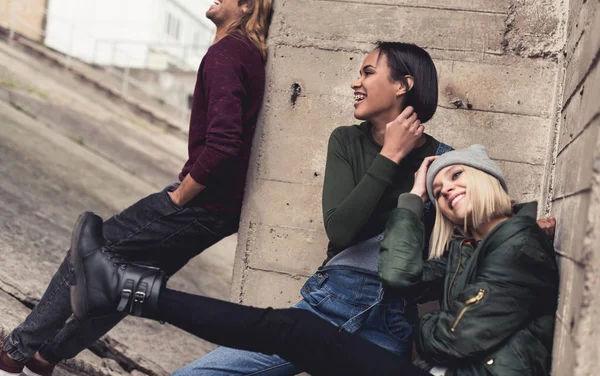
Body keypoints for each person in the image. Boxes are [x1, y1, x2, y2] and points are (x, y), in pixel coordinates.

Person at [67, 144, 558, 376]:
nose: (447, 190)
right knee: (289, 333)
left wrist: (424, 330)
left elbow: (449, 340)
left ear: (489, 179)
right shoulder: (470, 248)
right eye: (440, 189)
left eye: (458, 179)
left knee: (295, 332)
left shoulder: (516, 243)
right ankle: (124, 289)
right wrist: (413, 197)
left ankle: (125, 289)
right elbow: (400, 275)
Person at [0, 0, 274, 375]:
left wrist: (179, 197)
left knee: (88, 252)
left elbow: (224, 143)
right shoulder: (248, 55)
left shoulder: (227, 55)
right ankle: (46, 357)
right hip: (220, 210)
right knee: (125, 284)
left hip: (199, 203)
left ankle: (16, 351)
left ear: (247, 5)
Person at [175, 41, 453, 375]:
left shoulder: (445, 162)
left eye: (367, 72)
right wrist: (390, 157)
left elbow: (447, 261)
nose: (356, 82)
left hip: (392, 322)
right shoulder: (346, 141)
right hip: (331, 303)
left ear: (402, 85)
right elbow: (340, 229)